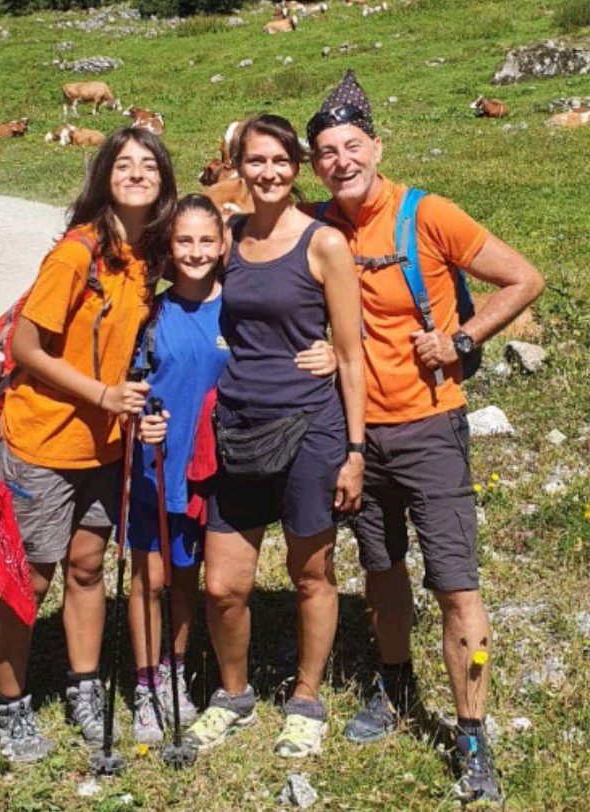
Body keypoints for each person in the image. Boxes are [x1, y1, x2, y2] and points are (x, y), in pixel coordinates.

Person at [304, 70, 545, 805]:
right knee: (381, 572)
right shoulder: (319, 226)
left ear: (377, 147)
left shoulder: (427, 213)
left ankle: (472, 739)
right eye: (326, 152)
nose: (340, 160)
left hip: (429, 427)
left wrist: (462, 338)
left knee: (456, 586)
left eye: (351, 146)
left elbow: (524, 278)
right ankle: (395, 683)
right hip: (356, 435)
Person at [0, 127, 175, 763]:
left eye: (148, 165)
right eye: (123, 163)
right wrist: (101, 396)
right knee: (31, 577)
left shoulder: (149, 258)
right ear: (104, 176)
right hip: (42, 440)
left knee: (88, 567)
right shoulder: (77, 254)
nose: (136, 173)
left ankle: (84, 686)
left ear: (163, 183)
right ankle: (9, 704)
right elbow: (25, 347)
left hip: (105, 448)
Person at [126, 193, 338, 745]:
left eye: (205, 240)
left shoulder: (239, 302)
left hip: (221, 461)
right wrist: (134, 424)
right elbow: (129, 384)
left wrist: (335, 353)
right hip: (160, 464)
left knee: (192, 577)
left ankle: (179, 666)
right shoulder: (149, 312)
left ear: (224, 246)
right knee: (157, 579)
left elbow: (288, 336)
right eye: (183, 241)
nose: (195, 252)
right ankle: (151, 682)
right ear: (168, 249)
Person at [185, 114, 366, 759]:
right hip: (236, 424)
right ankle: (233, 694)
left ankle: (307, 696)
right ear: (238, 166)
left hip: (311, 428)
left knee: (311, 573)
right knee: (223, 585)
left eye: (280, 162)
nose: (267, 173)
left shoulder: (324, 245)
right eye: (255, 162)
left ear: (297, 169)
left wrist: (354, 450)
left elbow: (349, 353)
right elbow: (180, 278)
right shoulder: (227, 238)